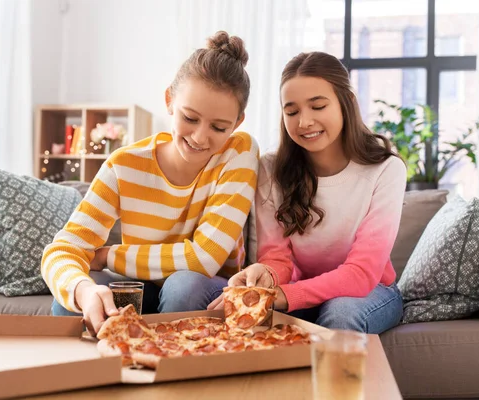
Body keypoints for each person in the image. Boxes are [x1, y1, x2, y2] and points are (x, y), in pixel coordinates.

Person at [42, 31, 259, 336]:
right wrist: (82, 290)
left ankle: (172, 374)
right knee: (73, 299)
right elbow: (61, 250)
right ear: (170, 100)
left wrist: (108, 255)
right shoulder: (124, 165)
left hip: (201, 290)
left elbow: (204, 258)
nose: (200, 137)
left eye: (219, 127)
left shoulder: (240, 151)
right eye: (190, 118)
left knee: (183, 286)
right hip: (143, 288)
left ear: (236, 123)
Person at [209, 51, 405, 334]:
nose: (304, 122)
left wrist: (286, 296)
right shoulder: (272, 169)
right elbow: (278, 258)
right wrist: (265, 274)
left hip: (371, 291)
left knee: (339, 313)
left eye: (318, 106)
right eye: (292, 111)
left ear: (346, 102)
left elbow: (362, 274)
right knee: (215, 304)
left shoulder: (386, 168)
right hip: (299, 289)